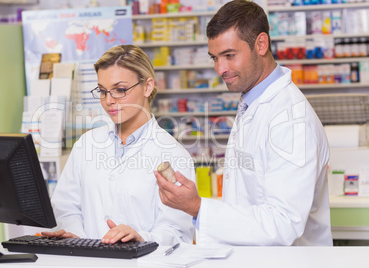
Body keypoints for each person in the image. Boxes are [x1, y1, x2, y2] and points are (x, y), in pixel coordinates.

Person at [155, 0, 332, 246]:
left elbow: (283, 222)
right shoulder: (253, 101)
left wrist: (198, 208)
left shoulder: (291, 119)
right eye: (214, 58)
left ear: (261, 44)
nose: (220, 68)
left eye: (229, 55)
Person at [42, 45, 195, 246]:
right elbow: (66, 207)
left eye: (120, 90)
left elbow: (177, 232)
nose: (108, 101)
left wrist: (142, 239)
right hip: (87, 261)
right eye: (103, 91)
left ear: (147, 87)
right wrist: (77, 237)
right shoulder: (86, 145)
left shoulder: (173, 155)